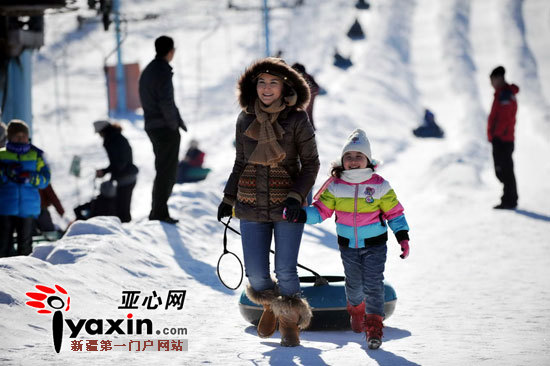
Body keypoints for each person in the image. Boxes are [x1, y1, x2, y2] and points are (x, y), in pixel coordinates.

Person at [217, 57, 320, 347]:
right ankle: (268, 305)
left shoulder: (298, 119)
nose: (266, 88)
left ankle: (289, 322)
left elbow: (311, 164)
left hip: (287, 205)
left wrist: (296, 196)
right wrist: (228, 197)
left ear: (285, 86)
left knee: (285, 269)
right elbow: (240, 161)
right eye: (261, 82)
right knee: (257, 273)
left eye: (273, 82)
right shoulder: (244, 118)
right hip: (250, 203)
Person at [288, 129, 410, 350]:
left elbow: (395, 213)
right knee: (354, 286)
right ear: (342, 161)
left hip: (375, 244)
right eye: (349, 157)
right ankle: (356, 310)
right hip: (348, 246)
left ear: (368, 160)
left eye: (359, 156)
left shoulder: (379, 185)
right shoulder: (335, 185)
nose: (354, 161)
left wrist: (402, 236)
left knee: (373, 284)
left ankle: (374, 327)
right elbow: (321, 211)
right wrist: (302, 214)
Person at [139, 35, 188, 224]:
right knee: (167, 171)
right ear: (171, 51)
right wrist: (173, 124)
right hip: (164, 127)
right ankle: (159, 212)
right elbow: (166, 101)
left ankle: (158, 210)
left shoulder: (150, 70)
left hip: (153, 125)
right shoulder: (162, 71)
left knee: (163, 168)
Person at [0, 120, 50, 257]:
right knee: (3, 245)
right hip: (5, 207)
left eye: (24, 135)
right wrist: (6, 173)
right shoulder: (1, 154)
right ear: (9, 137)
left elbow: (45, 179)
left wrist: (31, 178)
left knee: (25, 246)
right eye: (17, 135)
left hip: (28, 208)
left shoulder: (36, 155)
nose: (21, 138)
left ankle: (24, 276)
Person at [93, 120, 139, 223]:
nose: (99, 136)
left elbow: (119, 163)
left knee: (122, 210)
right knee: (121, 208)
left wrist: (105, 171)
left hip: (125, 178)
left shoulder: (112, 140)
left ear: (103, 131)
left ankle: (126, 233)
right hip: (126, 176)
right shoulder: (116, 137)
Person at [487, 66, 519, 209]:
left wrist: (497, 135)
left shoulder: (505, 95)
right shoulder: (501, 94)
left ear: (499, 78)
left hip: (503, 140)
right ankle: (509, 198)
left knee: (504, 170)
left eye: (492, 80)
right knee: (504, 170)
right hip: (502, 139)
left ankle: (510, 199)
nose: (491, 83)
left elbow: (505, 118)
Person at [291, 63, 320, 130]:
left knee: (307, 111)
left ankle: (308, 128)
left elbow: (316, 87)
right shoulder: (301, 77)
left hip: (310, 94)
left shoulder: (305, 77)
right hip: (309, 94)